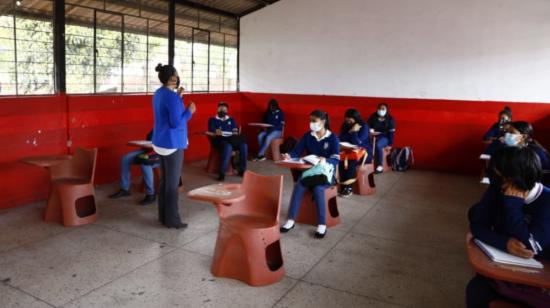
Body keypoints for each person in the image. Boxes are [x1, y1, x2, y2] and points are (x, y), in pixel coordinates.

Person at [466, 146, 550, 307]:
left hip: (537, 278)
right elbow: (477, 225)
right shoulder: (497, 190)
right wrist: (504, 243)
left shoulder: (547, 202)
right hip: (503, 270)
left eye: (500, 179)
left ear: (516, 178)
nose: (497, 184)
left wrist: (512, 204)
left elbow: (528, 247)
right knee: (476, 290)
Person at [280, 110, 340, 239]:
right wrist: (289, 155)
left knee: (318, 189)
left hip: (325, 174)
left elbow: (336, 158)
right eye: (310, 121)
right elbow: (297, 151)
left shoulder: (332, 137)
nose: (311, 124)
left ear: (323, 122)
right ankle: (291, 220)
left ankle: (321, 224)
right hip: (310, 172)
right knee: (299, 186)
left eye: (314, 121)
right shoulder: (308, 136)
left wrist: (326, 160)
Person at [151, 63, 196, 229]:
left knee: (164, 181)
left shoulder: (159, 93)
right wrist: (190, 110)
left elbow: (169, 110)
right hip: (173, 144)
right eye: (176, 75)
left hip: (160, 142)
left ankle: (162, 216)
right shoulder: (171, 97)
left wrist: (180, 98)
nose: (178, 77)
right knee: (172, 184)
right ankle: (172, 220)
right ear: (172, 78)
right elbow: (176, 123)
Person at [109, 129, 158, 205]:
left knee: (145, 163)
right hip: (148, 149)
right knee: (125, 159)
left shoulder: (171, 126)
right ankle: (125, 189)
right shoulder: (158, 124)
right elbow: (149, 137)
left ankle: (151, 194)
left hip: (161, 153)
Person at [207, 102, 248, 181]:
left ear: (227, 111)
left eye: (224, 109)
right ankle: (222, 173)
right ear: (217, 110)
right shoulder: (212, 119)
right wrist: (218, 131)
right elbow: (212, 130)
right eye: (220, 109)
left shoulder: (231, 119)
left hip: (232, 139)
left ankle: (242, 170)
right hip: (219, 140)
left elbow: (235, 130)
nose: (222, 110)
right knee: (228, 147)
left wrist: (234, 131)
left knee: (244, 145)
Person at [338, 108, 372, 197]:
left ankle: (349, 187)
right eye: (346, 118)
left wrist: (353, 132)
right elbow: (341, 138)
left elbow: (357, 142)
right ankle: (343, 184)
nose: (347, 120)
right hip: (349, 151)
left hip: (364, 153)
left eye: (350, 118)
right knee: (340, 159)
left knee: (350, 162)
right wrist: (350, 131)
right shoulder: (345, 124)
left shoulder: (364, 126)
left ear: (356, 118)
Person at [367, 103, 395, 173]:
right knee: (366, 144)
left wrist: (390, 145)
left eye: (383, 109)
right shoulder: (373, 117)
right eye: (379, 109)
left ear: (386, 110)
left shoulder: (390, 119)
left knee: (378, 145)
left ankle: (380, 166)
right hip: (373, 136)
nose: (381, 110)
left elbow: (391, 133)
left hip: (384, 138)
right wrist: (370, 130)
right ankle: (368, 162)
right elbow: (367, 126)